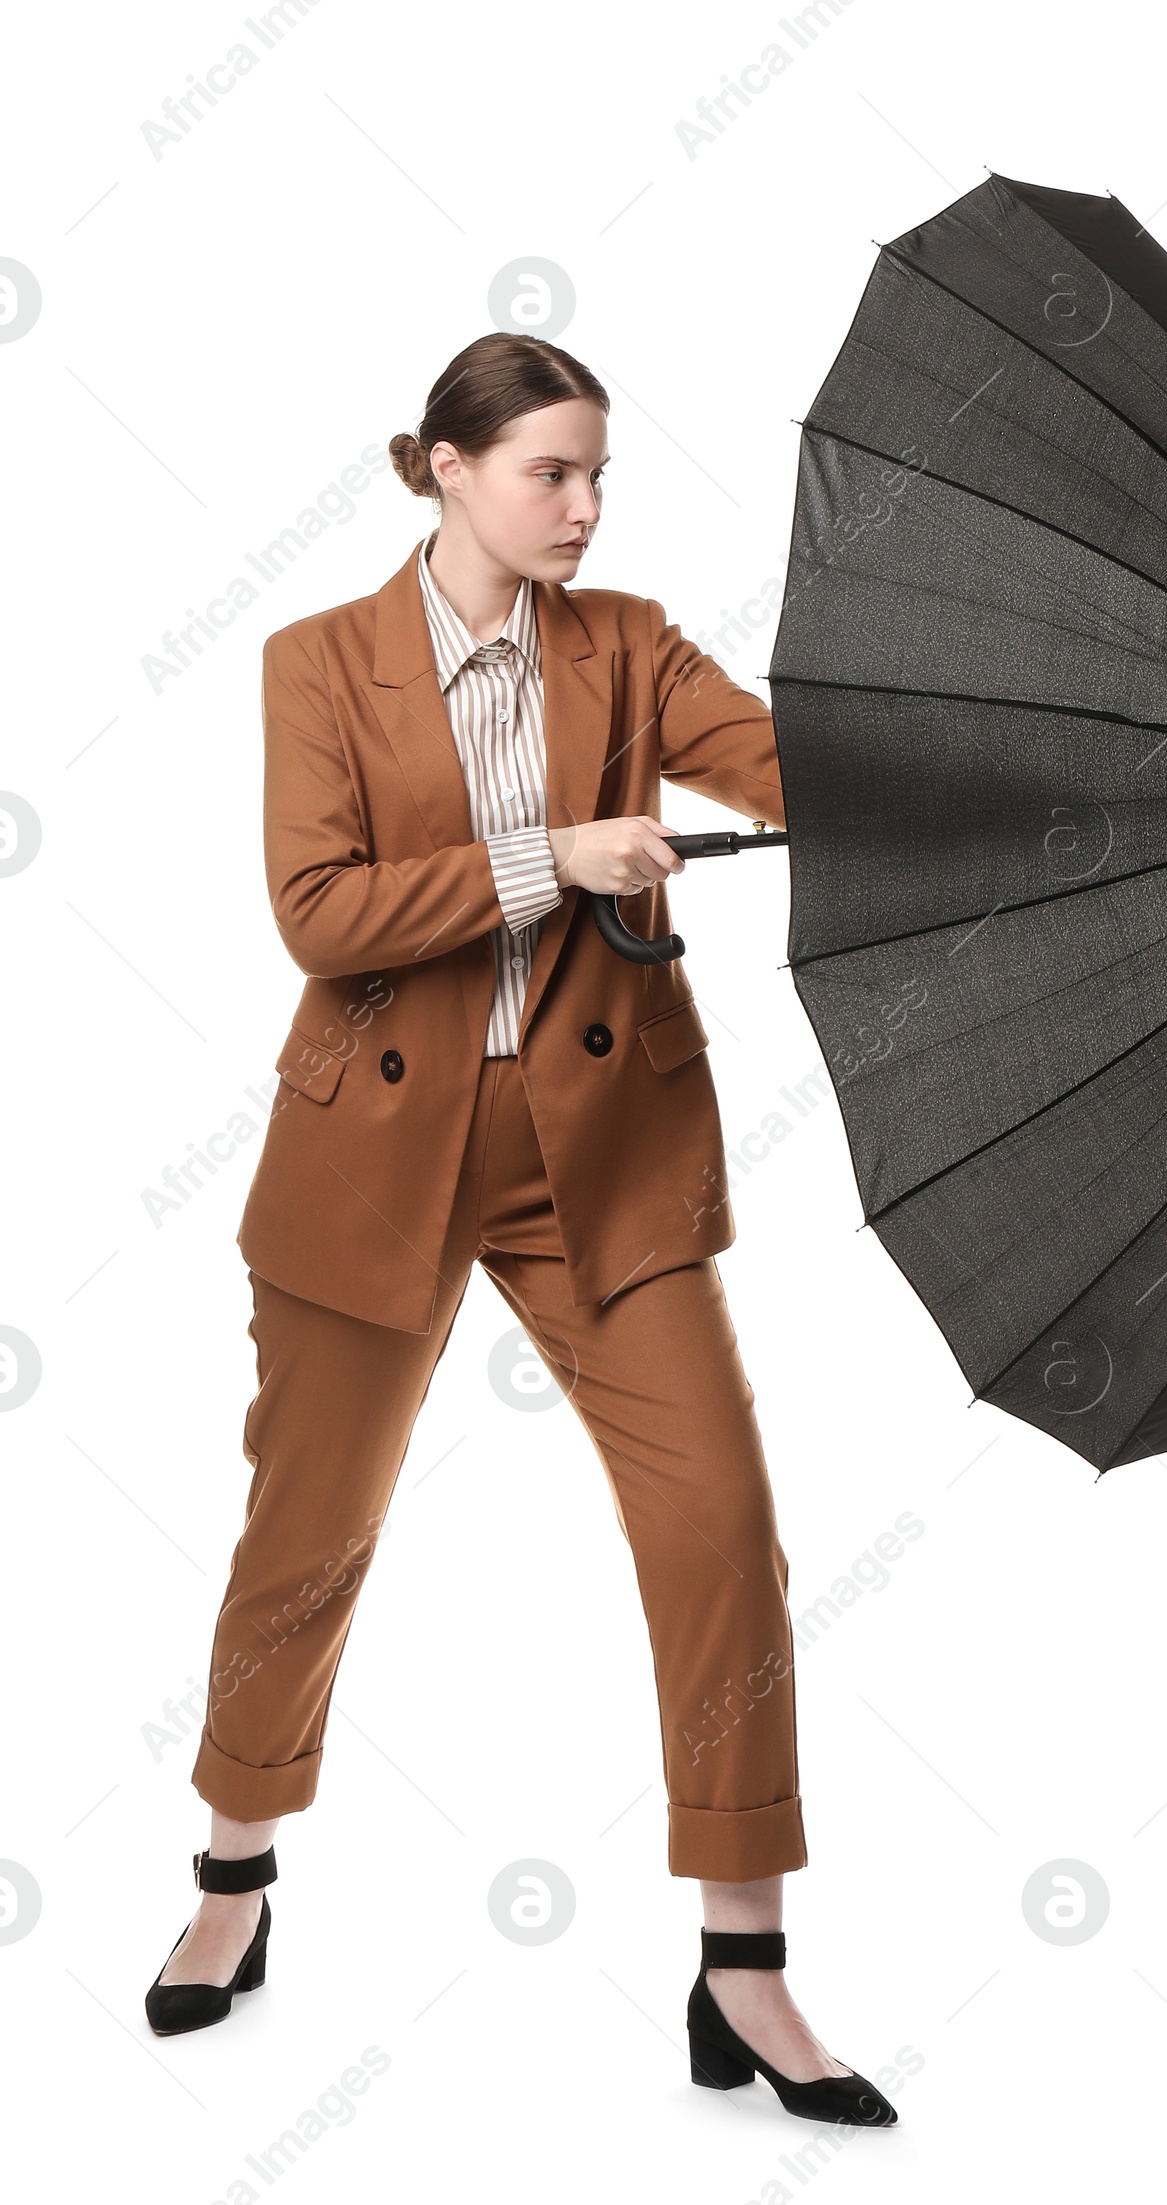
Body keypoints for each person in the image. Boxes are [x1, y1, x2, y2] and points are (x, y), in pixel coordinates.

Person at [142, 332, 896, 2128]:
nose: (584, 505)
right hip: (373, 1153)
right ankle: (232, 1881)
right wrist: (564, 852)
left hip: (602, 1154)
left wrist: (1007, 776)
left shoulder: (626, 643)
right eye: (552, 471)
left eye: (598, 474)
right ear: (445, 470)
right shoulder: (314, 662)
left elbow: (795, 774)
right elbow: (321, 913)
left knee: (722, 1525)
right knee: (306, 1535)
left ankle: (747, 1969)